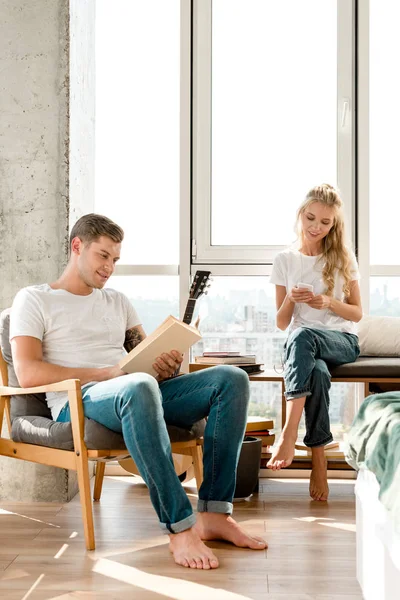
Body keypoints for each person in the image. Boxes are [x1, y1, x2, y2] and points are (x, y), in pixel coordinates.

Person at [9, 213, 267, 569]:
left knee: (231, 379)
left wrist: (165, 366)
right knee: (138, 385)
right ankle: (179, 526)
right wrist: (108, 373)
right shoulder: (34, 300)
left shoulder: (117, 301)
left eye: (115, 259)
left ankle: (215, 514)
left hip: (135, 391)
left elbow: (142, 357)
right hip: (79, 401)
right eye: (103, 256)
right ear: (77, 246)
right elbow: (27, 373)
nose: (109, 267)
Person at [268, 184, 362, 501]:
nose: (316, 228)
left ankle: (289, 430)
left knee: (304, 335)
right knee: (317, 372)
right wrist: (292, 301)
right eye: (311, 218)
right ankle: (318, 459)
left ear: (333, 226)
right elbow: (281, 322)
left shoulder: (342, 258)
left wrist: (327, 303)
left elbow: (357, 313)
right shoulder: (284, 259)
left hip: (342, 341)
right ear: (300, 214)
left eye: (325, 223)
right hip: (302, 349)